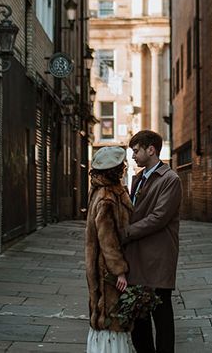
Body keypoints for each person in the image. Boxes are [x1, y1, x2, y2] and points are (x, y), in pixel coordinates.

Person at [122, 130, 182, 353]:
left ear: (151, 150)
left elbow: (158, 218)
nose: (133, 156)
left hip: (157, 258)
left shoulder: (170, 179)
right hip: (137, 258)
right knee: (139, 319)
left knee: (162, 316)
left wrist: (125, 232)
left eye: (136, 151)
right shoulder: (138, 178)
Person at [85, 145, 136, 353]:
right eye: (121, 166)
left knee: (106, 315)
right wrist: (119, 271)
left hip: (100, 265)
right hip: (106, 267)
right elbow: (108, 238)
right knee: (110, 316)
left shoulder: (100, 191)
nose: (124, 168)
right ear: (114, 170)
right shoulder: (107, 196)